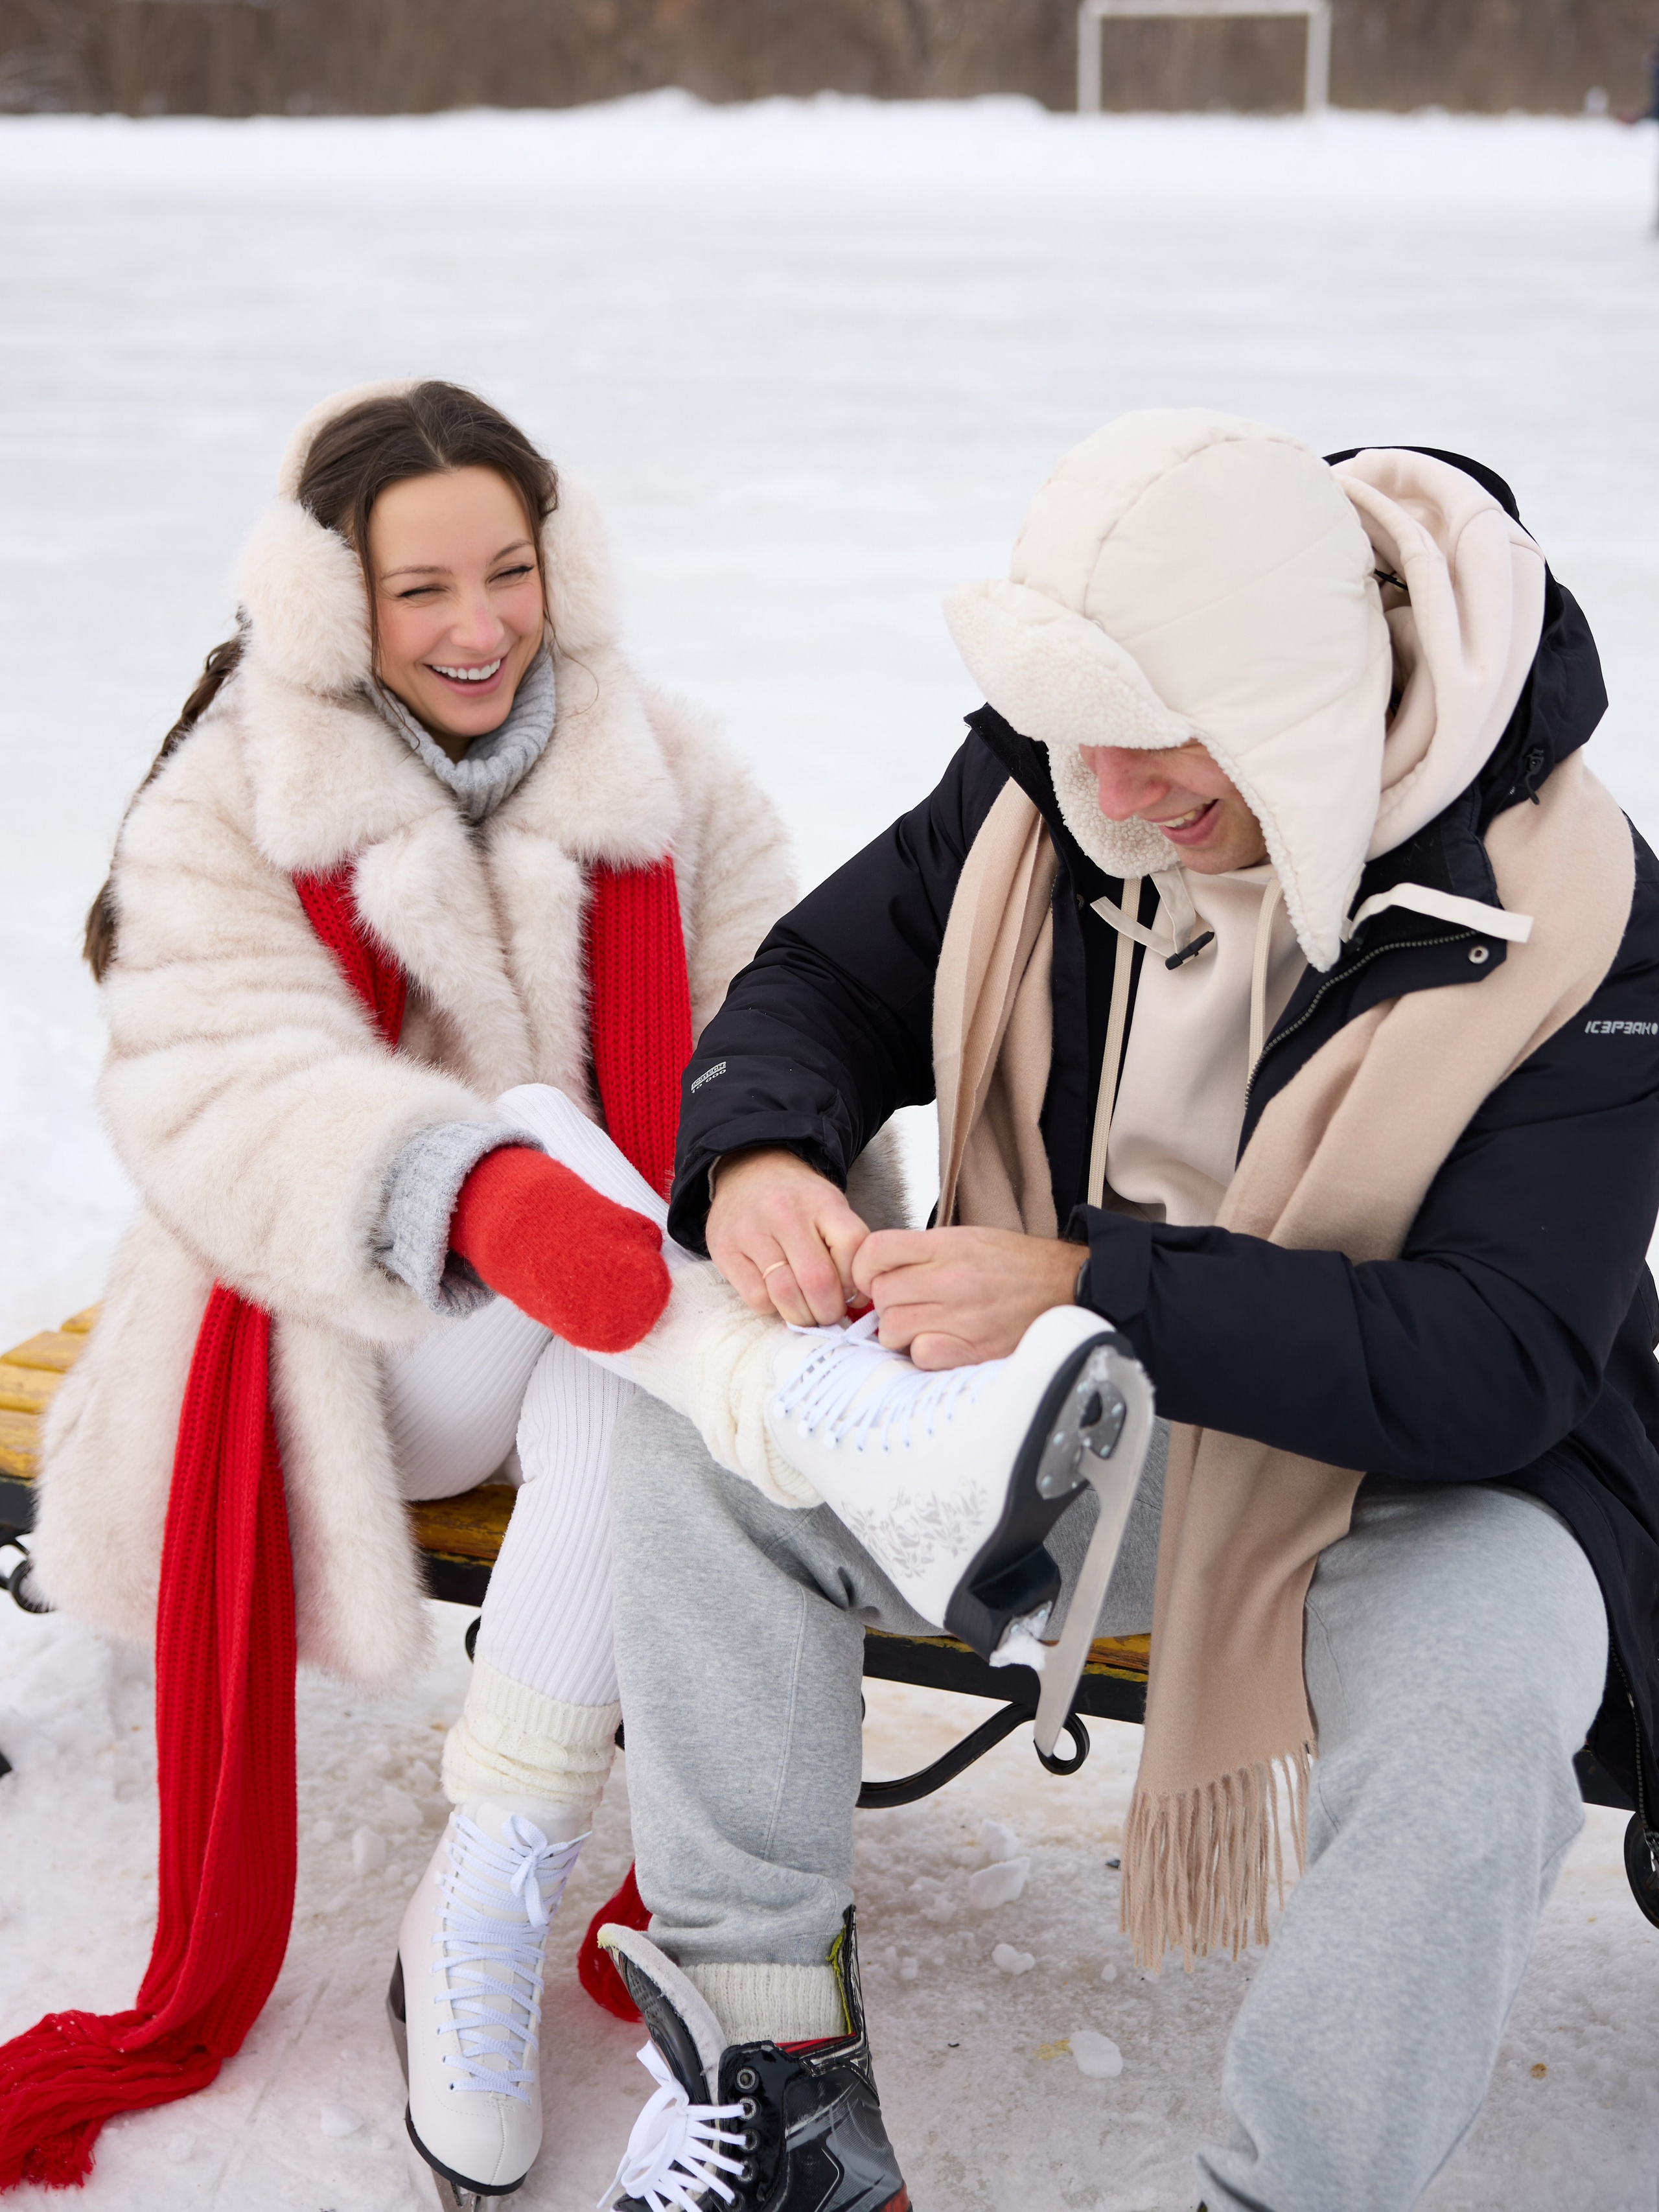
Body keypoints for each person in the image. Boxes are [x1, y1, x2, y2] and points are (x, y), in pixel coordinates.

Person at [571, 411, 1659, 2212]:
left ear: (1299, 698)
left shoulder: (1582, 914)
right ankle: (779, 2088)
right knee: (692, 1425)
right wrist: (764, 1151)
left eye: (1163, 758)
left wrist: (1091, 1285)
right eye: (1083, 754)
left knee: (1488, 1701)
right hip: (1081, 1411)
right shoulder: (1053, 775)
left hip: (1439, 1482)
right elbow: (825, 980)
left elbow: (1500, 1363)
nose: (1113, 804)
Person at [8, 378, 850, 2206]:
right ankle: (794, 1394)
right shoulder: (234, 796)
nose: (478, 628)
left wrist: (768, 1177)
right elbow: (209, 1085)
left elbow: (792, 1025)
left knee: (631, 1348)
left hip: (595, 1340)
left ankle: (488, 1882)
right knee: (552, 1142)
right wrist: (477, 1190)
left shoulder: (668, 774)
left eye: (511, 573)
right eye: (421, 592)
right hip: (329, 1347)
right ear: (334, 603)